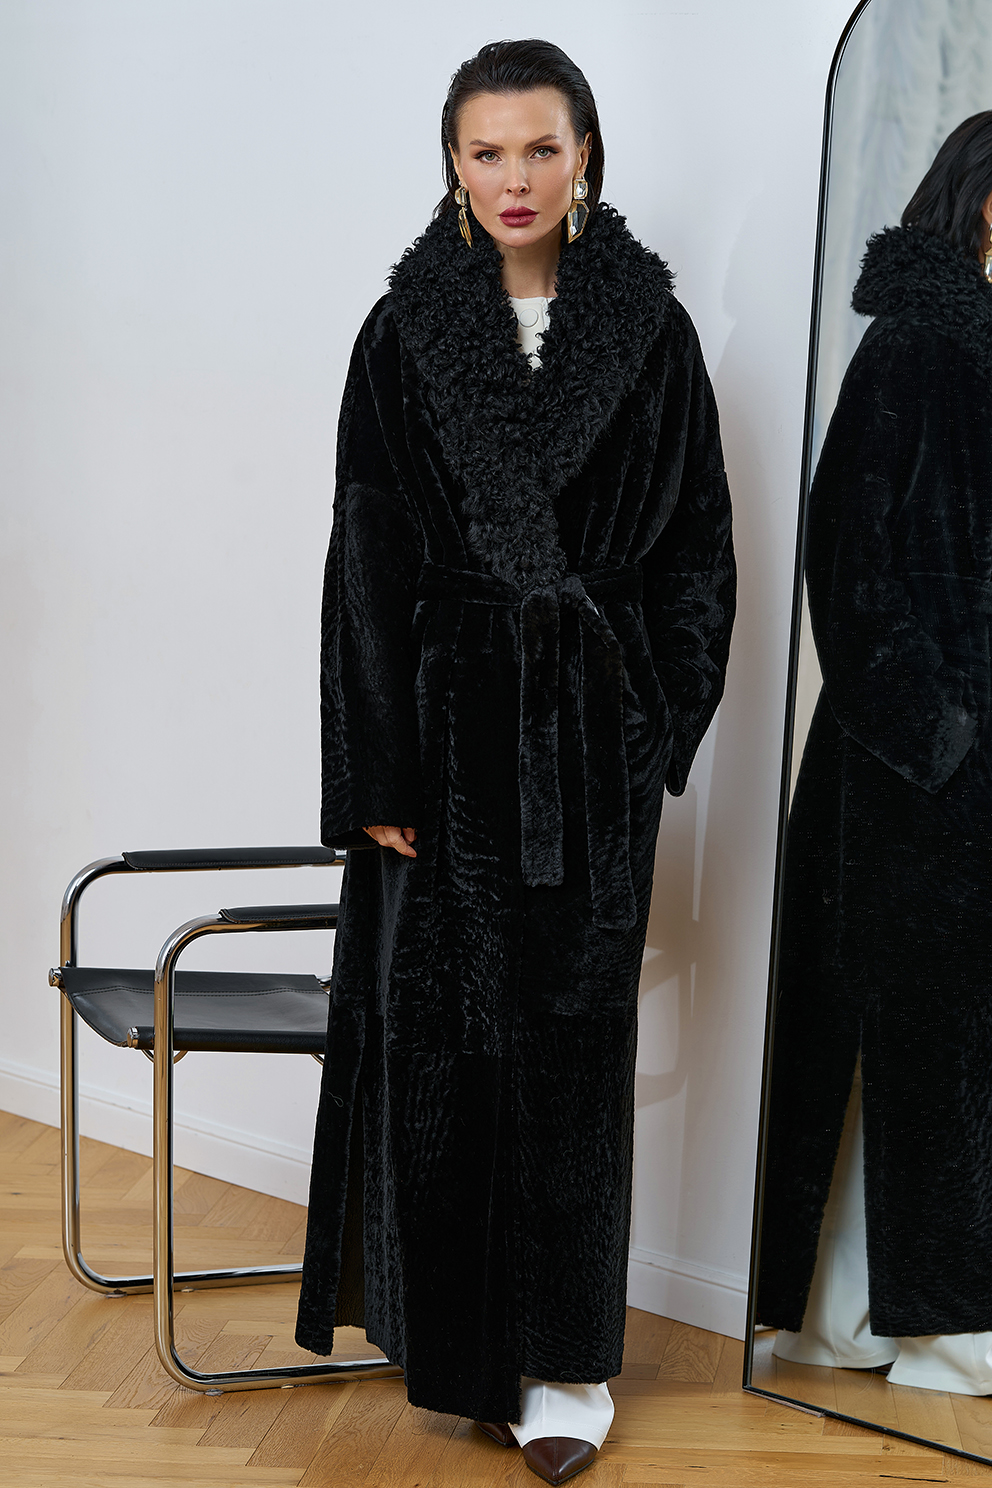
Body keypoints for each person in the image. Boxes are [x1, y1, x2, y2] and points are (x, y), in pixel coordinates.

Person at [295, 39, 736, 1482]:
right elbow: (363, 560)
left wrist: (655, 725)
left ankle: (567, 1364)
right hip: (440, 748)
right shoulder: (402, 331)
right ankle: (467, 1350)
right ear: (452, 163)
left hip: (586, 752)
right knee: (447, 1054)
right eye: (486, 152)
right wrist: (375, 777)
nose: (514, 178)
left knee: (573, 1057)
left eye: (540, 147)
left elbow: (697, 549)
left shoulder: (649, 333)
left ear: (584, 152)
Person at [758, 113, 992, 1396]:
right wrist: (940, 744)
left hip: (954, 775)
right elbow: (845, 563)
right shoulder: (917, 341)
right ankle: (924, 1329)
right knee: (913, 1053)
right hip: (906, 781)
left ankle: (865, 1319)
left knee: (939, 1054)